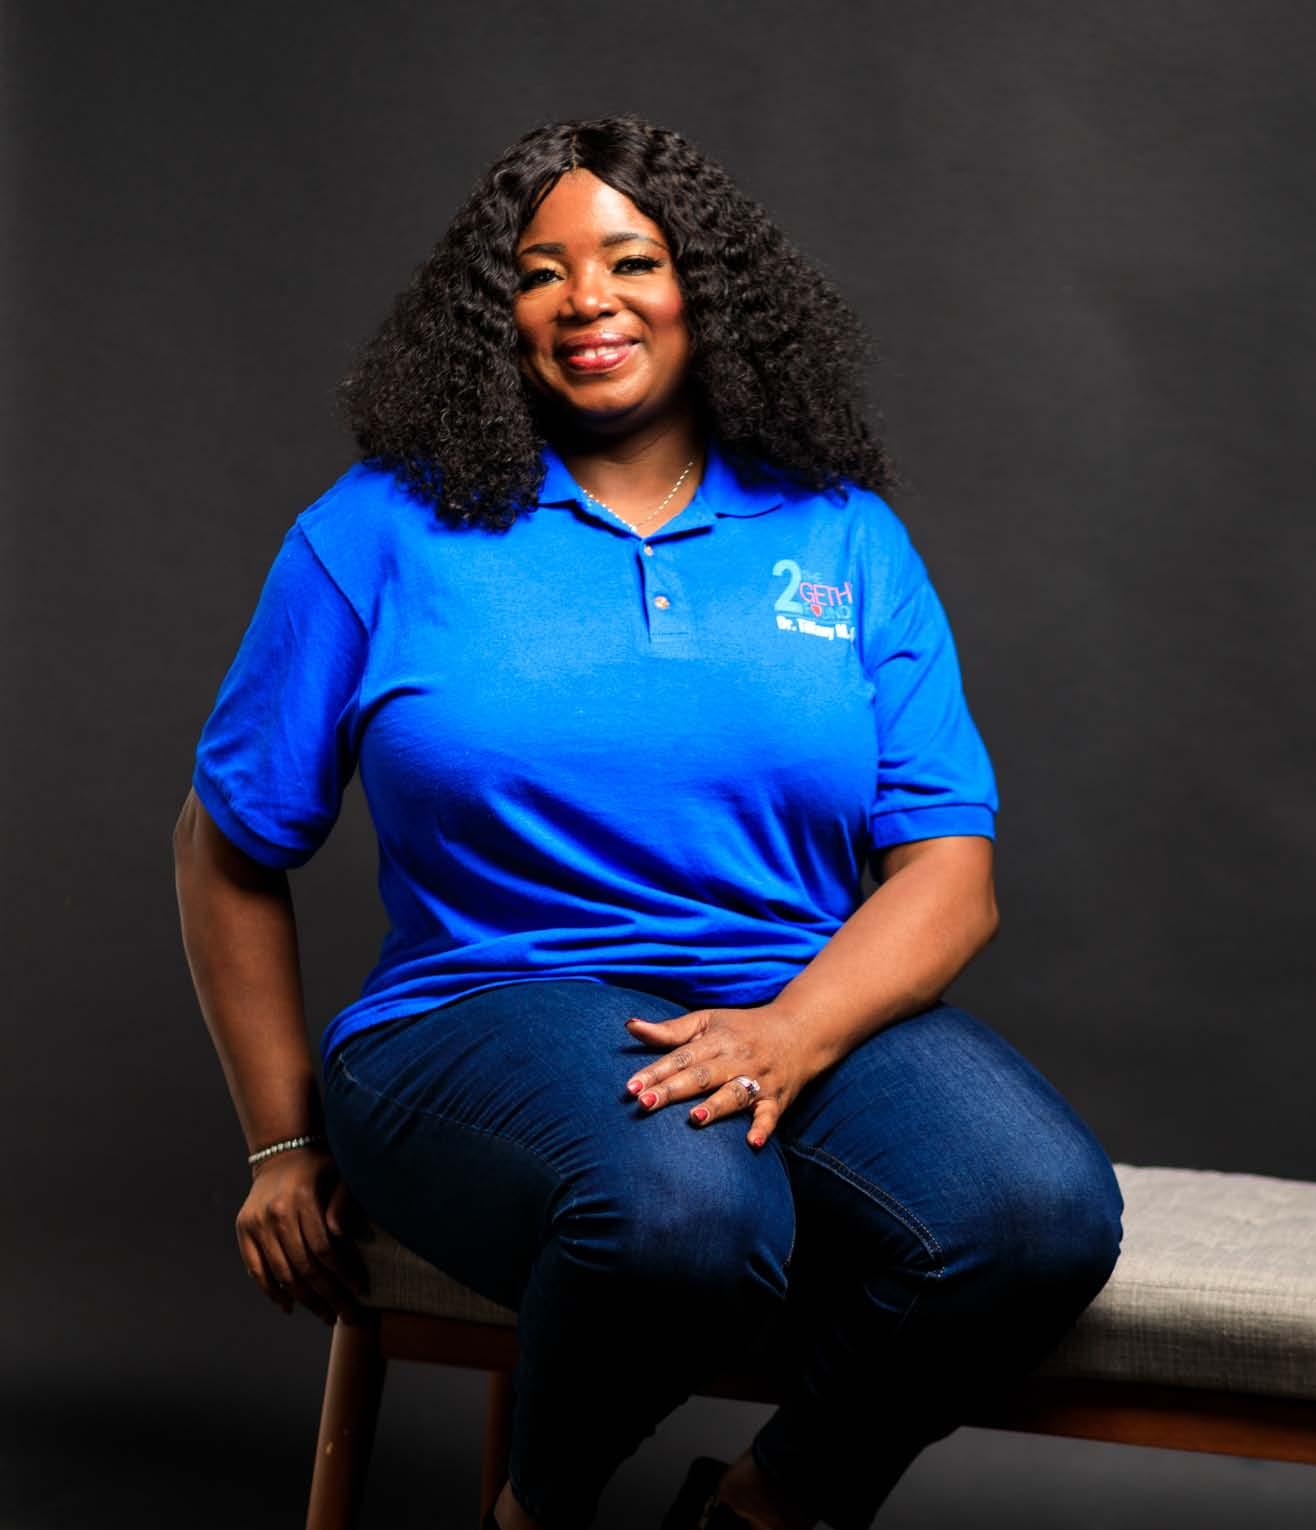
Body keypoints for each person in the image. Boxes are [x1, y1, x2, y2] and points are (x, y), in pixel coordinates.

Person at [173, 114, 1123, 1530]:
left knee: (1036, 1213)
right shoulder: (376, 531)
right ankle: (538, 1511)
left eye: (632, 260)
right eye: (537, 272)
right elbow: (226, 845)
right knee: (688, 1210)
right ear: (493, 316)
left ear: (708, 291)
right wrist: (276, 1143)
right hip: (477, 1010)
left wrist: (791, 1032)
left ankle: (764, 1509)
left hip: (785, 996)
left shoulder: (842, 534)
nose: (586, 300)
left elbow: (949, 871)